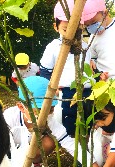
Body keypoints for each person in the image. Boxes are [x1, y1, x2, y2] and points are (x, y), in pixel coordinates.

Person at [5, 76, 115, 167]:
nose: (45, 115)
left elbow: (73, 147)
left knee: (50, 141)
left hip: (30, 151)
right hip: (10, 153)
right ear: (21, 107)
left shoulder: (49, 121)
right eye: (39, 111)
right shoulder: (9, 119)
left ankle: (34, 163)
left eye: (50, 110)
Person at [39, 0, 92, 136]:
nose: (71, 33)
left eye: (75, 28)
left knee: (88, 120)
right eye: (65, 29)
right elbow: (45, 70)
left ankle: (85, 144)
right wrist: (52, 87)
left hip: (88, 90)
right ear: (56, 27)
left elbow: (90, 66)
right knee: (69, 121)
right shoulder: (53, 46)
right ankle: (70, 146)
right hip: (67, 91)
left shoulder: (85, 46)